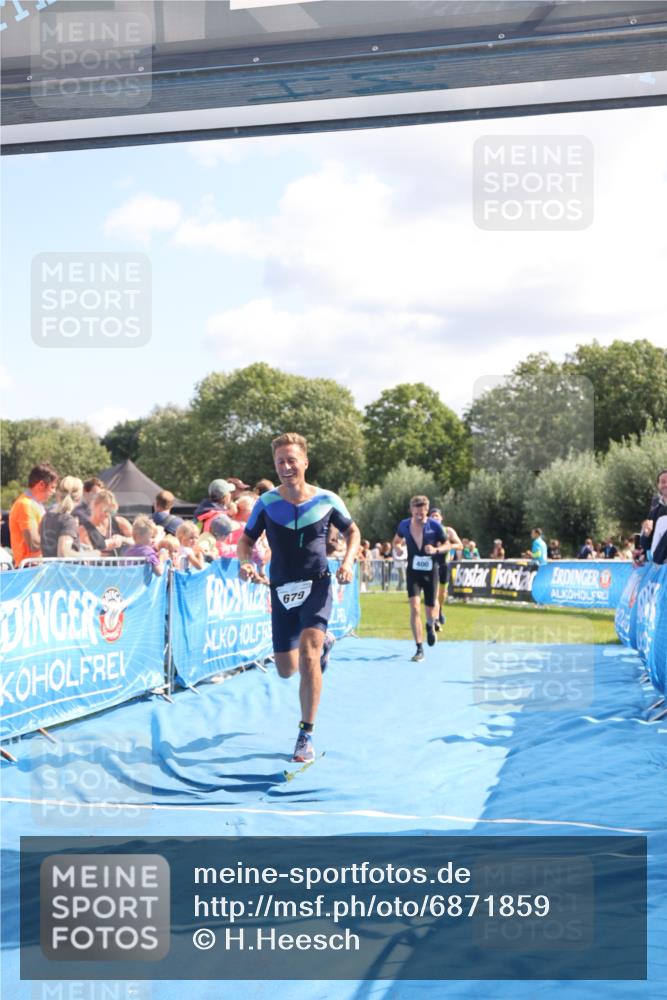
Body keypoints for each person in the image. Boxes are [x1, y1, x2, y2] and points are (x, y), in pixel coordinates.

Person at [237, 432, 360, 763]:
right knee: (286, 669)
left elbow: (353, 531)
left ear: (305, 462)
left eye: (292, 460)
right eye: (280, 462)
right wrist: (245, 563)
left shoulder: (326, 500)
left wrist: (347, 562)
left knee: (308, 655)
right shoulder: (266, 504)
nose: (286, 466)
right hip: (281, 589)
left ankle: (305, 734)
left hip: (317, 585)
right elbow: (246, 541)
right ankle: (326, 644)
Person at [393, 496, 450, 662]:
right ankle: (419, 648)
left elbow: (447, 545)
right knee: (415, 608)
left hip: (431, 572)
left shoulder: (435, 526)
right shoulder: (404, 525)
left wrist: (436, 550)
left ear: (427, 510)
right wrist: (397, 548)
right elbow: (396, 540)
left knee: (431, 608)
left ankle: (430, 624)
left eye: (422, 513)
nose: (419, 516)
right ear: (411, 510)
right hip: (413, 573)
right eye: (416, 513)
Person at [9, 462, 58, 566]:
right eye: (53, 487)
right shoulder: (25, 505)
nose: (54, 492)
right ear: (41, 485)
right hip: (29, 569)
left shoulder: (35, 504)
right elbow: (34, 544)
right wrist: (60, 540)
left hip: (36, 567)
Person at [428, 507, 463, 627]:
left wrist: (449, 546)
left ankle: (440, 610)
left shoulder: (448, 531)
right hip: (432, 565)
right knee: (434, 592)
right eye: (432, 516)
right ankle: (435, 619)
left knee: (442, 593)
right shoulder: (426, 531)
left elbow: (460, 545)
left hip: (444, 564)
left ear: (441, 518)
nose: (435, 517)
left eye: (437, 515)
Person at [39, 476, 83, 558]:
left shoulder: (46, 516)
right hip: (66, 570)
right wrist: (90, 555)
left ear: (58, 494)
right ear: (79, 497)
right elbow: (63, 554)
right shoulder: (68, 520)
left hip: (49, 568)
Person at [78, 490, 131, 556]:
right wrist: (105, 545)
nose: (107, 514)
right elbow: (87, 556)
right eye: (104, 510)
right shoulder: (83, 530)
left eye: (111, 511)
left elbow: (138, 541)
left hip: (122, 566)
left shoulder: (120, 522)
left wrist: (123, 539)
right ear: (94, 506)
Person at [640, 468, 667, 565]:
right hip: (661, 568)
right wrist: (646, 534)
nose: (666, 485)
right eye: (663, 482)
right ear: (658, 485)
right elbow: (645, 545)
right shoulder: (654, 512)